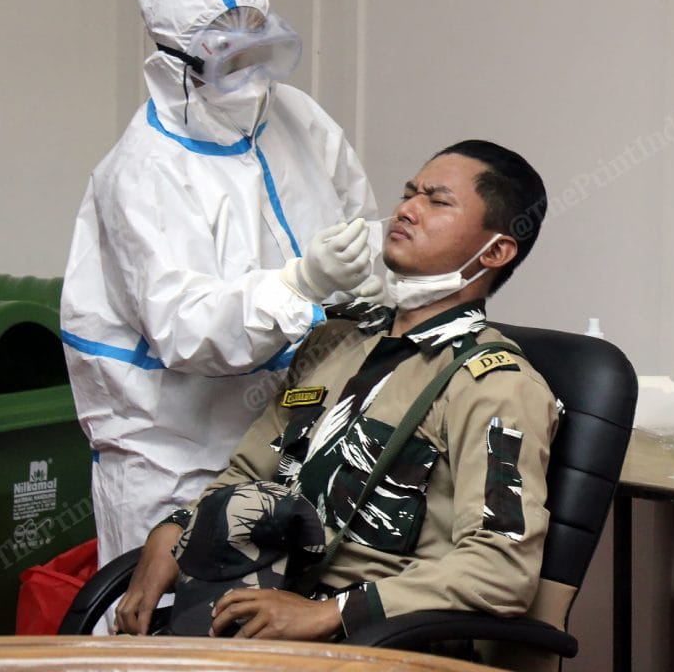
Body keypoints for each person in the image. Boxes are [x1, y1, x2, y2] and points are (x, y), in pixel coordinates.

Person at [115, 140, 556, 645]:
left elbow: (501, 569)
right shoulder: (334, 340)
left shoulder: (495, 386)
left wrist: (332, 613)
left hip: (373, 639)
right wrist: (173, 532)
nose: (406, 209)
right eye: (409, 193)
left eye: (437, 201)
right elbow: (249, 473)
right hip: (253, 606)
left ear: (495, 250)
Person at [61, 0, 382, 571]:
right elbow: (184, 329)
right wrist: (299, 284)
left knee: (269, 619)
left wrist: (370, 275)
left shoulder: (297, 119)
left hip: (289, 435)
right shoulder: (143, 171)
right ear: (178, 61)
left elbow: (361, 221)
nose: (255, 76)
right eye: (233, 60)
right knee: (167, 620)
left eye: (262, 48)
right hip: (173, 456)